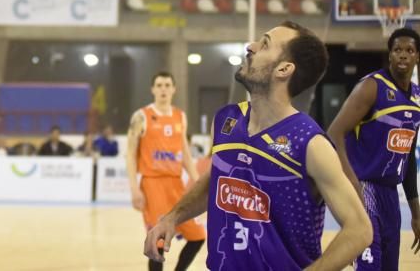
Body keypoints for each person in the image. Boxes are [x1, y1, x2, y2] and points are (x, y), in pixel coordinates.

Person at [144, 22, 373, 270]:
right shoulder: (225, 120)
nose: (251, 47)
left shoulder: (310, 143)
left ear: (284, 69)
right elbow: (216, 180)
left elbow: (359, 229)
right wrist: (172, 218)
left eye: (264, 44)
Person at [327, 26, 420, 270]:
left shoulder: (417, 98)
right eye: (397, 50)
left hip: (391, 196)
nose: (403, 54)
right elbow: (334, 132)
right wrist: (352, 184)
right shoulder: (372, 87)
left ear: (417, 57)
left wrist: (416, 213)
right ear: (389, 54)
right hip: (365, 189)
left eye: (409, 50)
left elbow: (408, 157)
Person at [128, 72, 204, 271]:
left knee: (198, 236)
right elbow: (130, 154)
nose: (163, 89)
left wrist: (198, 182)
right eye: (159, 85)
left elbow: (185, 152)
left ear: (174, 89)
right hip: (152, 184)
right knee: (158, 241)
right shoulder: (141, 116)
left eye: (167, 85)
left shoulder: (180, 116)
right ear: (152, 89)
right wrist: (134, 189)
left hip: (176, 185)